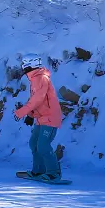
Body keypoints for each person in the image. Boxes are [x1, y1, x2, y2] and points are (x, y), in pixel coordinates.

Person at [13, 53, 64, 182]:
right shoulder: (35, 78)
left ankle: (54, 173)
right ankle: (39, 170)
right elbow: (37, 100)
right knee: (33, 144)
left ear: (30, 64)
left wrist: (22, 112)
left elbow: (37, 99)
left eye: (24, 64)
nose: (23, 67)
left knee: (43, 145)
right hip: (41, 117)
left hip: (50, 117)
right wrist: (30, 115)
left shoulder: (41, 78)